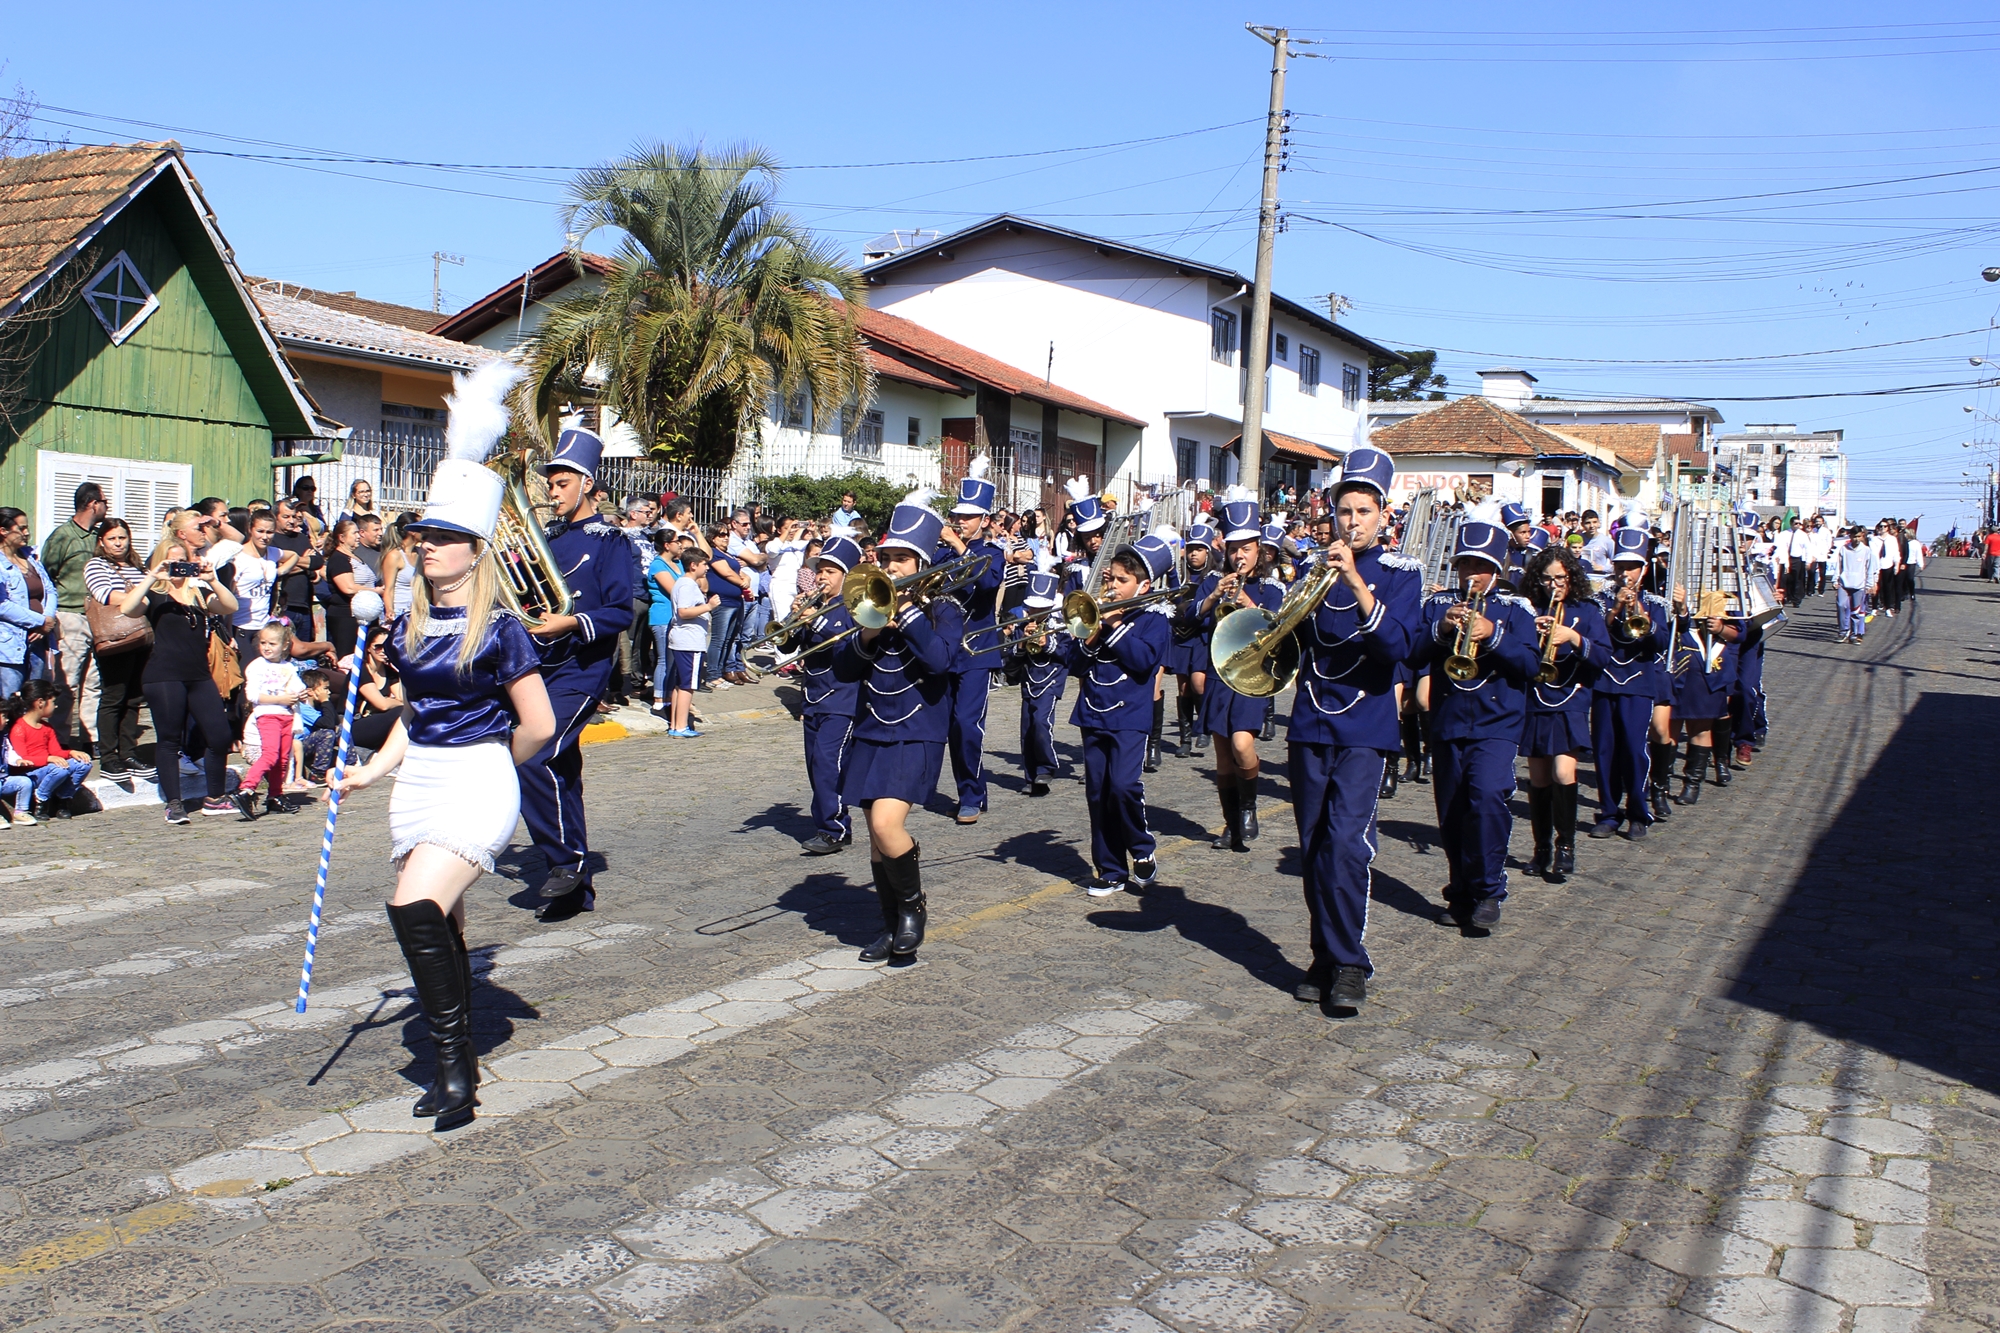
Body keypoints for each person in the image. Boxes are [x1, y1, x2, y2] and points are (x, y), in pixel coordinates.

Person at [330, 446, 556, 1129]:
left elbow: (539, 725)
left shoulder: (501, 629)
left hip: (478, 777)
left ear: (475, 550)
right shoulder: (410, 624)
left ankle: (455, 1070)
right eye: (423, 536)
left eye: (443, 538)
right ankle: (453, 1064)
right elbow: (412, 715)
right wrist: (370, 770)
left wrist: (491, 760)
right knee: (443, 918)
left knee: (414, 904)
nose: (426, 546)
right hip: (420, 777)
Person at [1283, 446, 1421, 1012]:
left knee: (1344, 845)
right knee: (1316, 847)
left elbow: (1398, 647)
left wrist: (1359, 584)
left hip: (1365, 725)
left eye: (1364, 511)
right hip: (1311, 720)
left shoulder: (1398, 576)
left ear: (1382, 516)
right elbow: (1284, 640)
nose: (1353, 521)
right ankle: (1325, 955)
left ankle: (1350, 962)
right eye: (1344, 511)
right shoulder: (1312, 572)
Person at [835, 488, 962, 963]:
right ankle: (889, 926)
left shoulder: (943, 609)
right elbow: (845, 671)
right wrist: (867, 631)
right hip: (872, 727)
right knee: (874, 834)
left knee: (888, 826)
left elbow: (940, 661)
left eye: (902, 559)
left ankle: (913, 911)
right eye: (886, 557)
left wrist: (907, 615)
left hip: (918, 729)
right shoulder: (871, 604)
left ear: (922, 563)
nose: (891, 566)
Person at [519, 426, 635, 920]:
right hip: (540, 665)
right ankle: (576, 889)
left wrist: (570, 621)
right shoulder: (549, 537)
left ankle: (565, 860)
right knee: (561, 770)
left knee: (533, 754)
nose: (553, 490)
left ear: (587, 483)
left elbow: (620, 612)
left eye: (562, 482)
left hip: (583, 668)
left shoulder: (611, 541)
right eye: (550, 483)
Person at [1418, 518, 1540, 931]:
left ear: (1498, 569)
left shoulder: (1516, 609)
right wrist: (1442, 628)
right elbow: (1409, 650)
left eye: (1481, 566)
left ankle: (1490, 889)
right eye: (1465, 565)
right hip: (1449, 720)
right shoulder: (1438, 605)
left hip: (1497, 722)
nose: (1472, 575)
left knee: (1486, 798)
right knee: (1452, 812)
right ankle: (1461, 890)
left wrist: (1493, 636)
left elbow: (1530, 664)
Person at [1059, 534, 1171, 896]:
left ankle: (1141, 848)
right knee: (1098, 793)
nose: (1114, 586)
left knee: (1123, 787)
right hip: (1093, 712)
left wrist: (1113, 624)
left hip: (1131, 715)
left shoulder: (1155, 620)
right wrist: (1085, 639)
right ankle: (1109, 868)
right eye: (1111, 579)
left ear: (1144, 585)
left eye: (1123, 581)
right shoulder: (1098, 617)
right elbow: (1075, 664)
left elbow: (1142, 661)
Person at [1182, 487, 1280, 852]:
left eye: (1248, 548)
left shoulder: (1270, 587)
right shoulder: (1211, 581)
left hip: (1251, 674)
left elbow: (1276, 628)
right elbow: (1189, 620)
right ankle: (1230, 825)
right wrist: (1212, 596)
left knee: (1242, 745)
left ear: (1260, 549)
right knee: (1223, 753)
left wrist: (1246, 601)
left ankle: (1249, 805)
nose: (1240, 555)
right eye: (1235, 548)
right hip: (1219, 672)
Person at [117, 537, 239, 823]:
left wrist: (213, 579)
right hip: (164, 676)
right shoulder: (155, 596)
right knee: (170, 739)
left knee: (220, 735)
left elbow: (229, 605)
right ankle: (174, 803)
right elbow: (127, 608)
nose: (178, 567)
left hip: (198, 675)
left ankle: (215, 797)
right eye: (172, 561)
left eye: (183, 560)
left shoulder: (198, 593)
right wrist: (152, 576)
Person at [1519, 545, 1608, 882]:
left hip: (1570, 698)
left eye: (1560, 578)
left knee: (1562, 772)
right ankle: (1541, 848)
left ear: (1571, 577)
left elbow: (1602, 657)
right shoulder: (1528, 609)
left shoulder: (1586, 612)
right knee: (1539, 778)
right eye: (1546, 579)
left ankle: (1565, 846)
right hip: (1536, 698)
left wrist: (1572, 636)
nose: (1553, 585)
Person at [1588, 527, 1673, 840]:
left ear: (1644, 569)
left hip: (1639, 683)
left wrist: (1642, 615)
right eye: (1621, 566)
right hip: (1605, 683)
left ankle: (1639, 812)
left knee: (1635, 751)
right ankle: (1609, 812)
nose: (1626, 573)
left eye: (1632, 567)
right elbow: (1595, 637)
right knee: (1604, 751)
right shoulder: (1597, 601)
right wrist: (1615, 611)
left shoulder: (1657, 603)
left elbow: (1661, 642)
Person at [935, 456, 1005, 825]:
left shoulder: (991, 553)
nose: (959, 522)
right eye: (957, 516)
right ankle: (953, 788)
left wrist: (959, 548)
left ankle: (972, 794)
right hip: (942, 648)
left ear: (985, 521)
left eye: (968, 517)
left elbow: (989, 584)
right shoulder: (942, 552)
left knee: (966, 724)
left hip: (977, 651)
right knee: (943, 725)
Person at [782, 535, 861, 853]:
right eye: (819, 570)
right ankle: (833, 822)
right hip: (813, 696)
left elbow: (847, 645)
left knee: (829, 762)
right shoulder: (813, 605)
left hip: (842, 698)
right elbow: (786, 645)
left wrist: (813, 623)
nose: (821, 576)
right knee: (815, 764)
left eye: (829, 570)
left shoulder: (855, 608)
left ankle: (834, 829)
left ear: (845, 575)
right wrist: (791, 622)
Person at [83, 519, 152, 780]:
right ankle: (109, 756)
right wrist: (141, 598)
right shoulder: (97, 565)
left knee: (134, 697)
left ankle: (129, 753)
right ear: (102, 541)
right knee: (113, 696)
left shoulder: (137, 566)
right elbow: (106, 594)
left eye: (122, 537)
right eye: (112, 538)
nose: (118, 543)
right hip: (115, 639)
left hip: (141, 637)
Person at [41, 481, 106, 750]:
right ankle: (60, 739)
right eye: (104, 502)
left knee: (94, 681)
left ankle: (90, 738)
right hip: (70, 615)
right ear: (92, 503)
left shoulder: (99, 536)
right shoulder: (63, 536)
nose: (106, 507)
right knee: (67, 682)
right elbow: (47, 574)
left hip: (99, 617)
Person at [1011, 553, 1068, 797]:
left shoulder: (1060, 624)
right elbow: (1011, 659)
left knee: (1041, 723)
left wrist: (1047, 642)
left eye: (1041, 607)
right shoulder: (1023, 627)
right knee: (1027, 729)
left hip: (1051, 679)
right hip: (1029, 681)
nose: (1035, 611)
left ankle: (1046, 767)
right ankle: (1031, 775)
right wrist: (1023, 643)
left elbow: (1067, 654)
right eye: (1032, 607)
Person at [236, 622, 305, 819]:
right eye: (263, 643)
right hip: (268, 714)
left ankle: (275, 795)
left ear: (284, 645)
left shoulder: (288, 667)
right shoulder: (257, 666)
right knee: (270, 755)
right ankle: (246, 789)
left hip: (286, 715)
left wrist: (301, 693)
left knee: (282, 760)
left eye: (272, 644)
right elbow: (253, 695)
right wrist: (280, 699)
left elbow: (296, 687)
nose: (266, 647)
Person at [6, 681, 92, 819]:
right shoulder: (19, 728)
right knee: (59, 769)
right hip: (30, 773)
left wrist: (71, 753)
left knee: (84, 763)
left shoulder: (47, 728)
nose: (55, 706)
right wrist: (48, 759)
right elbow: (22, 759)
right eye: (53, 702)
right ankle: (41, 800)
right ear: (40, 702)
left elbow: (56, 752)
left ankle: (63, 798)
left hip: (49, 769)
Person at [1166, 524, 1216, 759]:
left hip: (1201, 637)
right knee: (1184, 687)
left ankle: (1204, 726)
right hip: (1181, 636)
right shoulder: (1179, 573)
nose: (1194, 553)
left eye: (1200, 549)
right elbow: (1175, 599)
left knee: (1199, 683)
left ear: (1208, 552)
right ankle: (1185, 739)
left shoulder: (1214, 577)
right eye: (1191, 549)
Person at [662, 545, 717, 738]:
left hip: (686, 639)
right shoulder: (686, 584)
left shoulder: (684, 584)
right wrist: (708, 606)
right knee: (688, 685)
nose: (707, 568)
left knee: (680, 683)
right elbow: (683, 612)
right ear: (693, 565)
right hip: (689, 641)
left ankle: (677, 724)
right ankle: (680, 726)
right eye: (704, 564)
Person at [0, 509, 56, 700]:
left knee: (34, 701)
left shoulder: (30, 557)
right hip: (9, 645)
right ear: (3, 531)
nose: (26, 533)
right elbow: (2, 605)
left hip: (38, 640)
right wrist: (39, 620)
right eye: (21, 528)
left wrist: (46, 622)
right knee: (11, 701)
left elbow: (50, 590)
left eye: (27, 528)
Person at [268, 499, 321, 645]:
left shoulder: (301, 538)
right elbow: (275, 568)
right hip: (283, 606)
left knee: (304, 651)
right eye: (286, 517)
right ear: (275, 517)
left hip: (304, 607)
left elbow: (317, 562)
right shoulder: (271, 540)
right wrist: (305, 561)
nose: (291, 521)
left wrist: (290, 562)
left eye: (293, 516)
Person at [1832, 526, 1878, 644]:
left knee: (1856, 610)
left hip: (1859, 584)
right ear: (1850, 536)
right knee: (1841, 605)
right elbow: (1839, 565)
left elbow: (1869, 569)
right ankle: (1843, 631)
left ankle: (1854, 633)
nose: (1856, 539)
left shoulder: (1866, 550)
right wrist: (1835, 580)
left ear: (1862, 536)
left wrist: (1869, 585)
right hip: (1844, 583)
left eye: (1859, 537)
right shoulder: (1844, 549)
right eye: (1854, 536)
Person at [381, 516, 420, 619]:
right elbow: (388, 589)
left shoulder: (421, 553)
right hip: (400, 612)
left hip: (418, 612)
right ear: (412, 531)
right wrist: (389, 610)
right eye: (421, 525)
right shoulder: (395, 556)